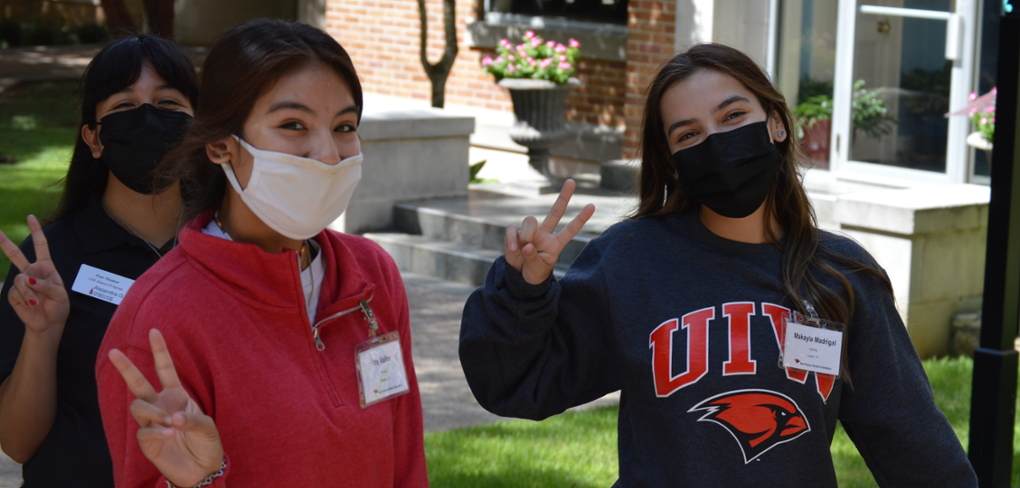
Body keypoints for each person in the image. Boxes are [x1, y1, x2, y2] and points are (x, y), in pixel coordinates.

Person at [459, 43, 978, 487]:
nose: (716, 141)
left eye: (732, 117)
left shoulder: (841, 275)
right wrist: (524, 291)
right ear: (673, 163)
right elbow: (515, 383)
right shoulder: (631, 261)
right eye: (688, 135)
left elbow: (917, 451)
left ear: (775, 123)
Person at [95, 19, 428, 488]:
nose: (328, 154)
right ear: (220, 145)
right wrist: (198, 481)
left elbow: (406, 457)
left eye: (345, 126)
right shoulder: (158, 320)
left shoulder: (372, 274)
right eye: (293, 125)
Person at [0, 35, 198, 487]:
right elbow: (16, 443)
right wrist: (43, 334)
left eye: (168, 103)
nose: (148, 118)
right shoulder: (48, 261)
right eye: (124, 106)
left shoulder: (227, 247)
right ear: (94, 137)